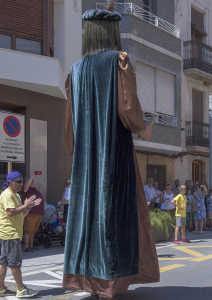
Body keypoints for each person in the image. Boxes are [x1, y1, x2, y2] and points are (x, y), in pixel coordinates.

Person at [63, 3, 159, 297]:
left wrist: (77, 153)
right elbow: (128, 110)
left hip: (85, 159)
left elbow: (71, 122)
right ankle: (112, 280)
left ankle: (90, 281)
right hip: (114, 151)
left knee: (88, 216)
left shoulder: (75, 71)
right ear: (112, 31)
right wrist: (142, 127)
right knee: (117, 213)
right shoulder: (119, 60)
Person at [0, 171, 41, 298]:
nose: (21, 184)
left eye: (22, 181)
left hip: (9, 233)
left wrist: (28, 207)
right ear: (10, 182)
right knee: (14, 263)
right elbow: (11, 212)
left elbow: (20, 214)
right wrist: (25, 205)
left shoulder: (16, 195)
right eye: (18, 181)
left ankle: (0, 289)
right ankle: (21, 290)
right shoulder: (8, 194)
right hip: (9, 234)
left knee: (3, 261)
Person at [21, 174, 45, 252]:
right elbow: (26, 186)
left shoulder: (35, 189)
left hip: (38, 213)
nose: (32, 182)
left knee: (33, 230)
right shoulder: (26, 189)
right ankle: (26, 246)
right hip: (30, 212)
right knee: (28, 230)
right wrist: (31, 176)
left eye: (33, 181)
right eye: (31, 181)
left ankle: (31, 245)